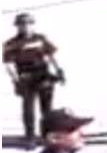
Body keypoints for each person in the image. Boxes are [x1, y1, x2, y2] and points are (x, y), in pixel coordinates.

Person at [4, 12, 63, 145]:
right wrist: (15, 81)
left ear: (32, 25)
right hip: (26, 77)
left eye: (28, 24)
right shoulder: (12, 43)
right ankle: (30, 136)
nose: (25, 27)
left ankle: (47, 135)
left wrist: (58, 70)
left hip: (43, 74)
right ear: (17, 27)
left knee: (47, 108)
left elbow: (50, 55)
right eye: (22, 25)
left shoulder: (40, 39)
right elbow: (8, 64)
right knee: (28, 109)